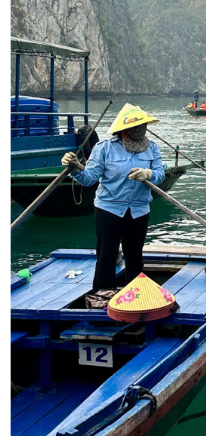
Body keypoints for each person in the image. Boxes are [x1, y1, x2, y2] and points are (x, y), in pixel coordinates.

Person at [65, 105, 169, 302]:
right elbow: (89, 178)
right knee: (107, 253)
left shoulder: (152, 148)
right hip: (109, 208)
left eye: (143, 126)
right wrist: (75, 168)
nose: (140, 132)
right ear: (123, 131)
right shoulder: (104, 148)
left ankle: (135, 290)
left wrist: (149, 174)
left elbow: (160, 175)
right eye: (135, 129)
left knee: (134, 253)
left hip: (138, 209)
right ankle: (103, 291)